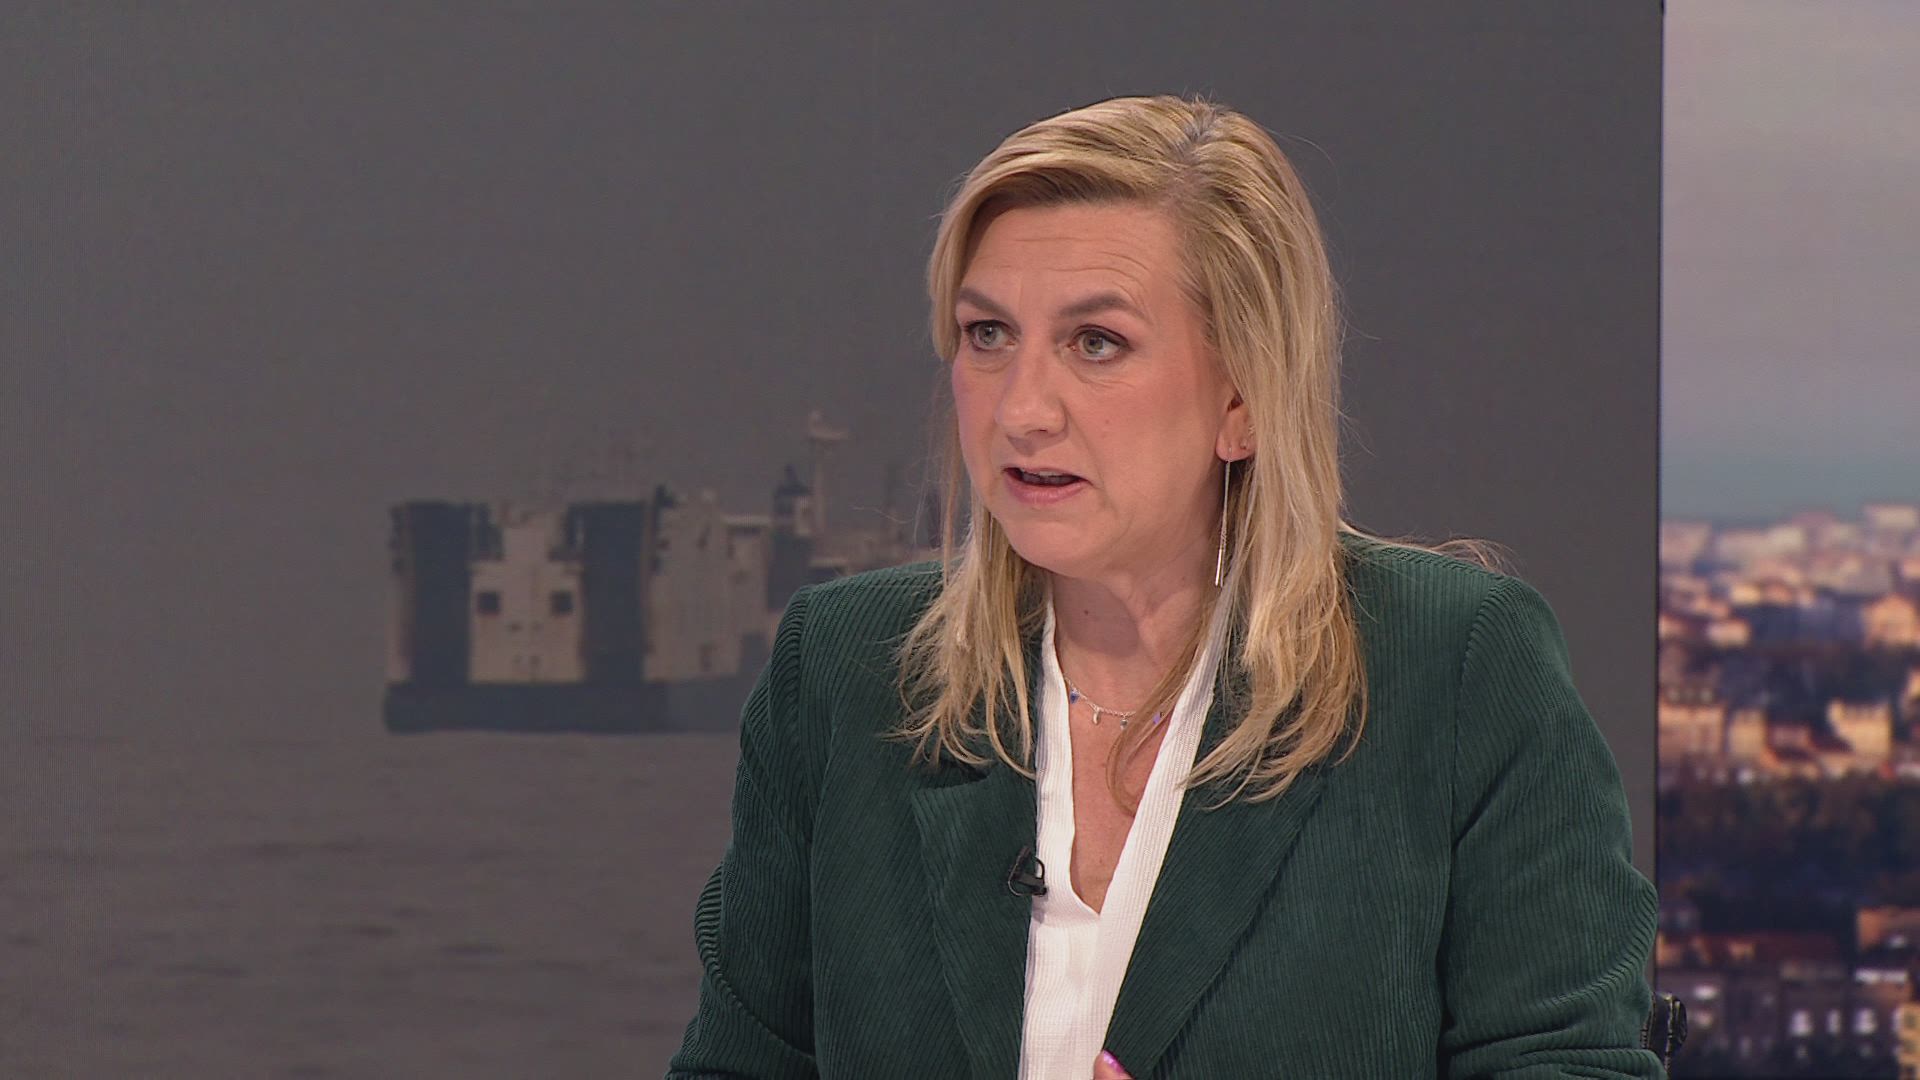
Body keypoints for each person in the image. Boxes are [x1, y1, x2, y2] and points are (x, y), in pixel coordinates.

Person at [667, 94, 1663, 1079]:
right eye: (988, 334)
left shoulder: (1454, 670)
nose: (1021, 409)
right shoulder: (845, 669)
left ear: (1245, 398)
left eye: (1096, 343)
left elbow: (1568, 1063)